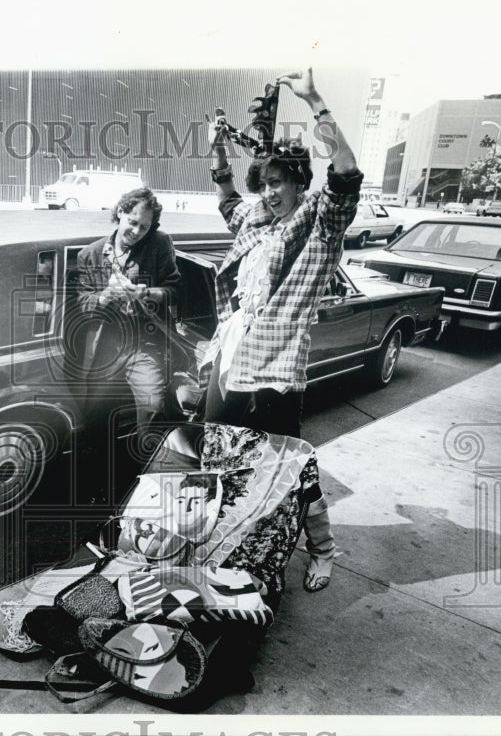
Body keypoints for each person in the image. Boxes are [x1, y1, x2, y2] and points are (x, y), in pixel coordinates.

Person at [204, 68, 364, 593]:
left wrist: (316, 100)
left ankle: (322, 549)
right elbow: (227, 196)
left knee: (289, 464)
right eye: (266, 183)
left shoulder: (320, 221)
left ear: (300, 182)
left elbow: (346, 173)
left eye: (279, 182)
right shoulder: (256, 221)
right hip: (231, 356)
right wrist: (220, 150)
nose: (270, 192)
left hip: (275, 361)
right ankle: (222, 543)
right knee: (217, 453)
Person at [76, 187, 182, 496]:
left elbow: (176, 291)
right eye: (132, 221)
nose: (136, 231)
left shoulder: (160, 245)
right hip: (104, 347)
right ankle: (99, 489)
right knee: (95, 418)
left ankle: (151, 489)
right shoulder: (91, 254)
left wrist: (146, 292)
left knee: (153, 409)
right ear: (120, 213)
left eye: (144, 226)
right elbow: (80, 303)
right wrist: (105, 296)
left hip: (143, 345)